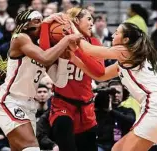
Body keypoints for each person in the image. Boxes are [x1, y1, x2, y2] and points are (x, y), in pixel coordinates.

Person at [70, 22, 157, 151]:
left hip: (156, 110)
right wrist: (75, 59)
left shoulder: (126, 51)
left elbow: (90, 50)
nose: (112, 35)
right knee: (117, 149)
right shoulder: (127, 59)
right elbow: (100, 76)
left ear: (126, 40)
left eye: (117, 33)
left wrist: (73, 27)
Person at [0, 10, 82, 151]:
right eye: (37, 20)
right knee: (32, 148)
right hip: (9, 101)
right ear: (25, 25)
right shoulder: (19, 38)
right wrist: (66, 40)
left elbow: (60, 82)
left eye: (42, 20)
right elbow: (45, 58)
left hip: (29, 106)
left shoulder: (44, 48)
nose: (42, 23)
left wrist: (64, 59)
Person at [48, 7, 105, 151]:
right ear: (76, 21)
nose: (92, 23)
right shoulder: (59, 42)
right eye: (89, 19)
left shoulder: (95, 43)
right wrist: (44, 25)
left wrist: (77, 51)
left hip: (86, 109)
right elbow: (44, 55)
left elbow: (99, 72)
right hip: (63, 105)